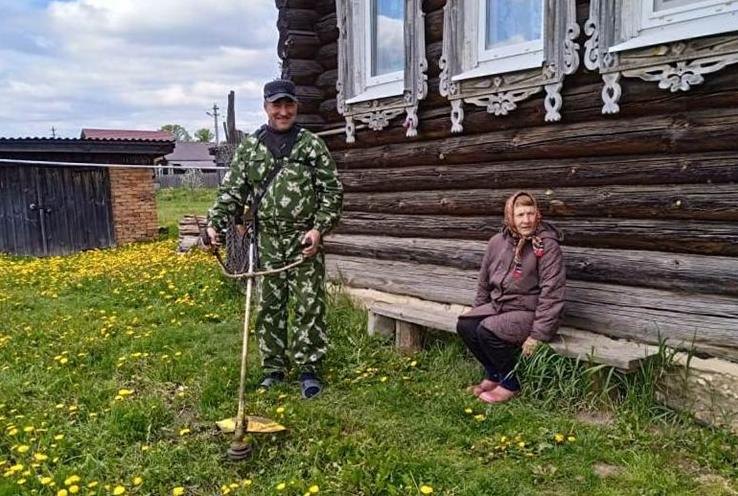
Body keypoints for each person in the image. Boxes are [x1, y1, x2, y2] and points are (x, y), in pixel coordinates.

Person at [206, 79, 343, 399]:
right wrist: (213, 224)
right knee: (269, 307)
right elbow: (231, 192)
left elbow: (332, 192)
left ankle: (309, 369)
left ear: (296, 105)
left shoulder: (311, 145)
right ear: (266, 106)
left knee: (309, 306)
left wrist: (318, 229)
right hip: (266, 240)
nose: (283, 111)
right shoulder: (251, 148)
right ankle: (273, 370)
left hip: (303, 242)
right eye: (276, 105)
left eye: (289, 105)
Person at [456, 191, 566, 403]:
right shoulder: (497, 242)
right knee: (466, 325)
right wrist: (476, 311)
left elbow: (553, 292)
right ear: (510, 218)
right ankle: (493, 374)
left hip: (530, 312)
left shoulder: (547, 246)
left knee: (487, 330)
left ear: (538, 215)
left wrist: (538, 335)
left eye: (530, 214)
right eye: (520, 215)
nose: (526, 220)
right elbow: (484, 282)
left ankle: (510, 383)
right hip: (500, 306)